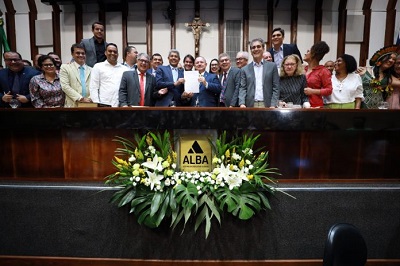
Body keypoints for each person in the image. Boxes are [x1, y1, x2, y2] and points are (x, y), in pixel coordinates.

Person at [238, 38, 280, 108]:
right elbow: (243, 88)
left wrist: (273, 104)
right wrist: (242, 103)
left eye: (258, 46)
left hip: (268, 105)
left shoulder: (272, 66)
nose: (256, 49)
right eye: (253, 47)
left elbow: (276, 87)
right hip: (250, 105)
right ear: (251, 51)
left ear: (263, 49)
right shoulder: (244, 69)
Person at [59, 43, 92, 107]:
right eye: (78, 53)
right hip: (72, 105)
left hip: (90, 104)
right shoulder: (65, 68)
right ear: (72, 54)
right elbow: (65, 86)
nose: (81, 55)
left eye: (83, 53)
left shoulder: (92, 70)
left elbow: (95, 87)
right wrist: (81, 98)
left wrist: (89, 99)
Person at [303, 41, 332, 108]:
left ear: (313, 54)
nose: (305, 53)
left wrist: (313, 91)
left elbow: (329, 90)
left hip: (315, 105)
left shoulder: (323, 71)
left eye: (308, 51)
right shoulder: (303, 69)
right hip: (301, 104)